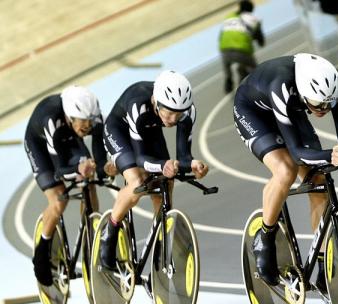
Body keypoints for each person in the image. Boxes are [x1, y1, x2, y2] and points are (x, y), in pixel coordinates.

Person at [233, 53, 338, 294]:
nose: (323, 110)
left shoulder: (337, 86)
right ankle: (265, 238)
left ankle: (322, 266)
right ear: (302, 90)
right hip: (254, 114)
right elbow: (297, 153)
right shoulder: (280, 84)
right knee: (286, 170)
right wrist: (331, 154)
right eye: (318, 105)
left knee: (319, 180)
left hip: (292, 109)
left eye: (328, 105)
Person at [99, 70, 209, 273]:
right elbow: (141, 158)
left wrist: (192, 164)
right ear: (155, 101)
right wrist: (162, 165)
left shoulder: (186, 112)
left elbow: (183, 156)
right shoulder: (138, 105)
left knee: (166, 182)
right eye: (169, 112)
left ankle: (160, 243)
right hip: (120, 131)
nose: (173, 119)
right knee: (137, 181)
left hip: (149, 129)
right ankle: (110, 232)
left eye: (179, 114)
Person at [25, 85, 111, 286]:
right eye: (84, 126)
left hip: (68, 138)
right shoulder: (51, 120)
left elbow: (99, 158)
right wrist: (79, 169)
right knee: (58, 200)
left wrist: (101, 169)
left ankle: (90, 235)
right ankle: (42, 250)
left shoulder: (94, 119)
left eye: (90, 125)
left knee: (89, 184)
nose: (88, 128)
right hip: (41, 147)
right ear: (70, 117)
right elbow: (60, 170)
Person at [219, 0, 265, 93]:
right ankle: (257, 88)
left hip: (224, 49)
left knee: (228, 63)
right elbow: (261, 41)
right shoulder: (254, 20)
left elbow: (221, 35)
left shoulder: (229, 17)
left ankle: (228, 78)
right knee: (255, 71)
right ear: (251, 10)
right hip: (242, 50)